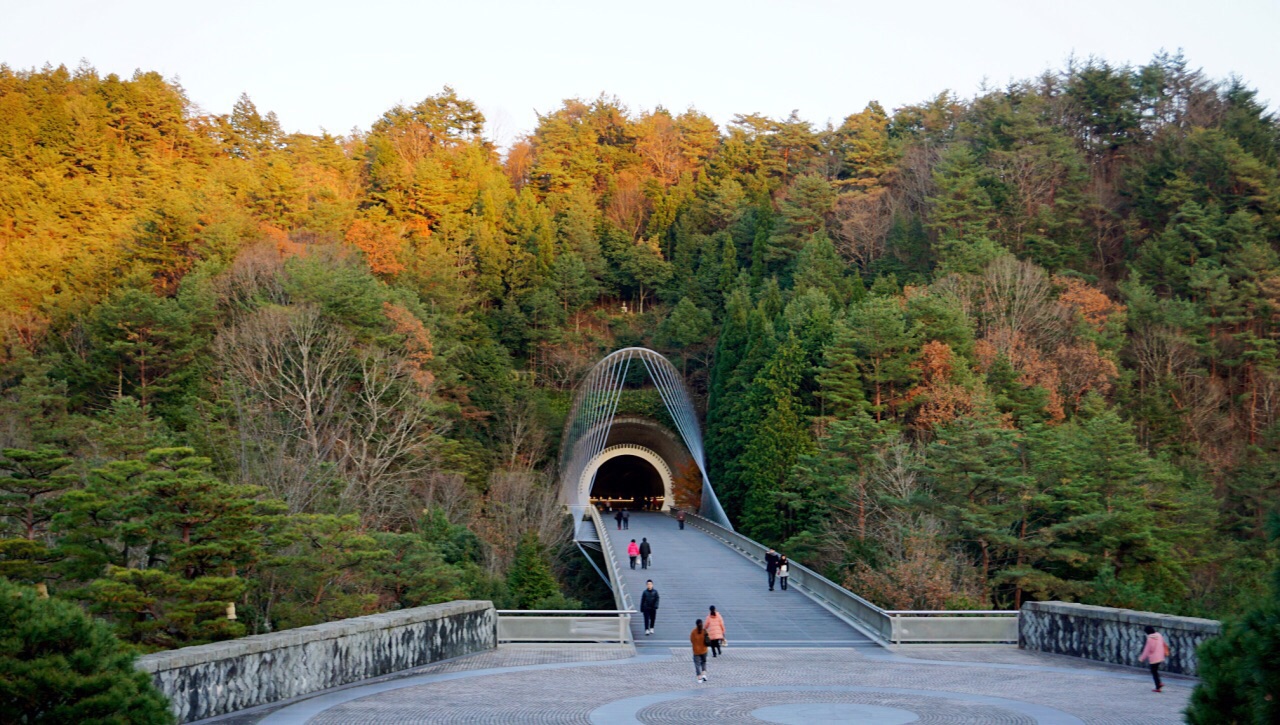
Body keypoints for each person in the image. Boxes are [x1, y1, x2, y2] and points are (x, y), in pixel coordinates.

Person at [1138, 625, 1168, 692]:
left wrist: (1142, 658)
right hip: (1160, 656)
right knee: (1155, 670)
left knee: (1153, 671)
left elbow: (1147, 650)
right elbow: (1163, 644)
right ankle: (1159, 684)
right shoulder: (1159, 635)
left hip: (1154, 658)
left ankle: (1158, 685)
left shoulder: (1150, 639)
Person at [690, 618, 709, 683]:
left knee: (697, 664)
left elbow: (692, 640)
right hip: (704, 650)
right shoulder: (704, 631)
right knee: (703, 662)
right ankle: (704, 675)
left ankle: (699, 678)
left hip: (696, 651)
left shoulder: (693, 632)